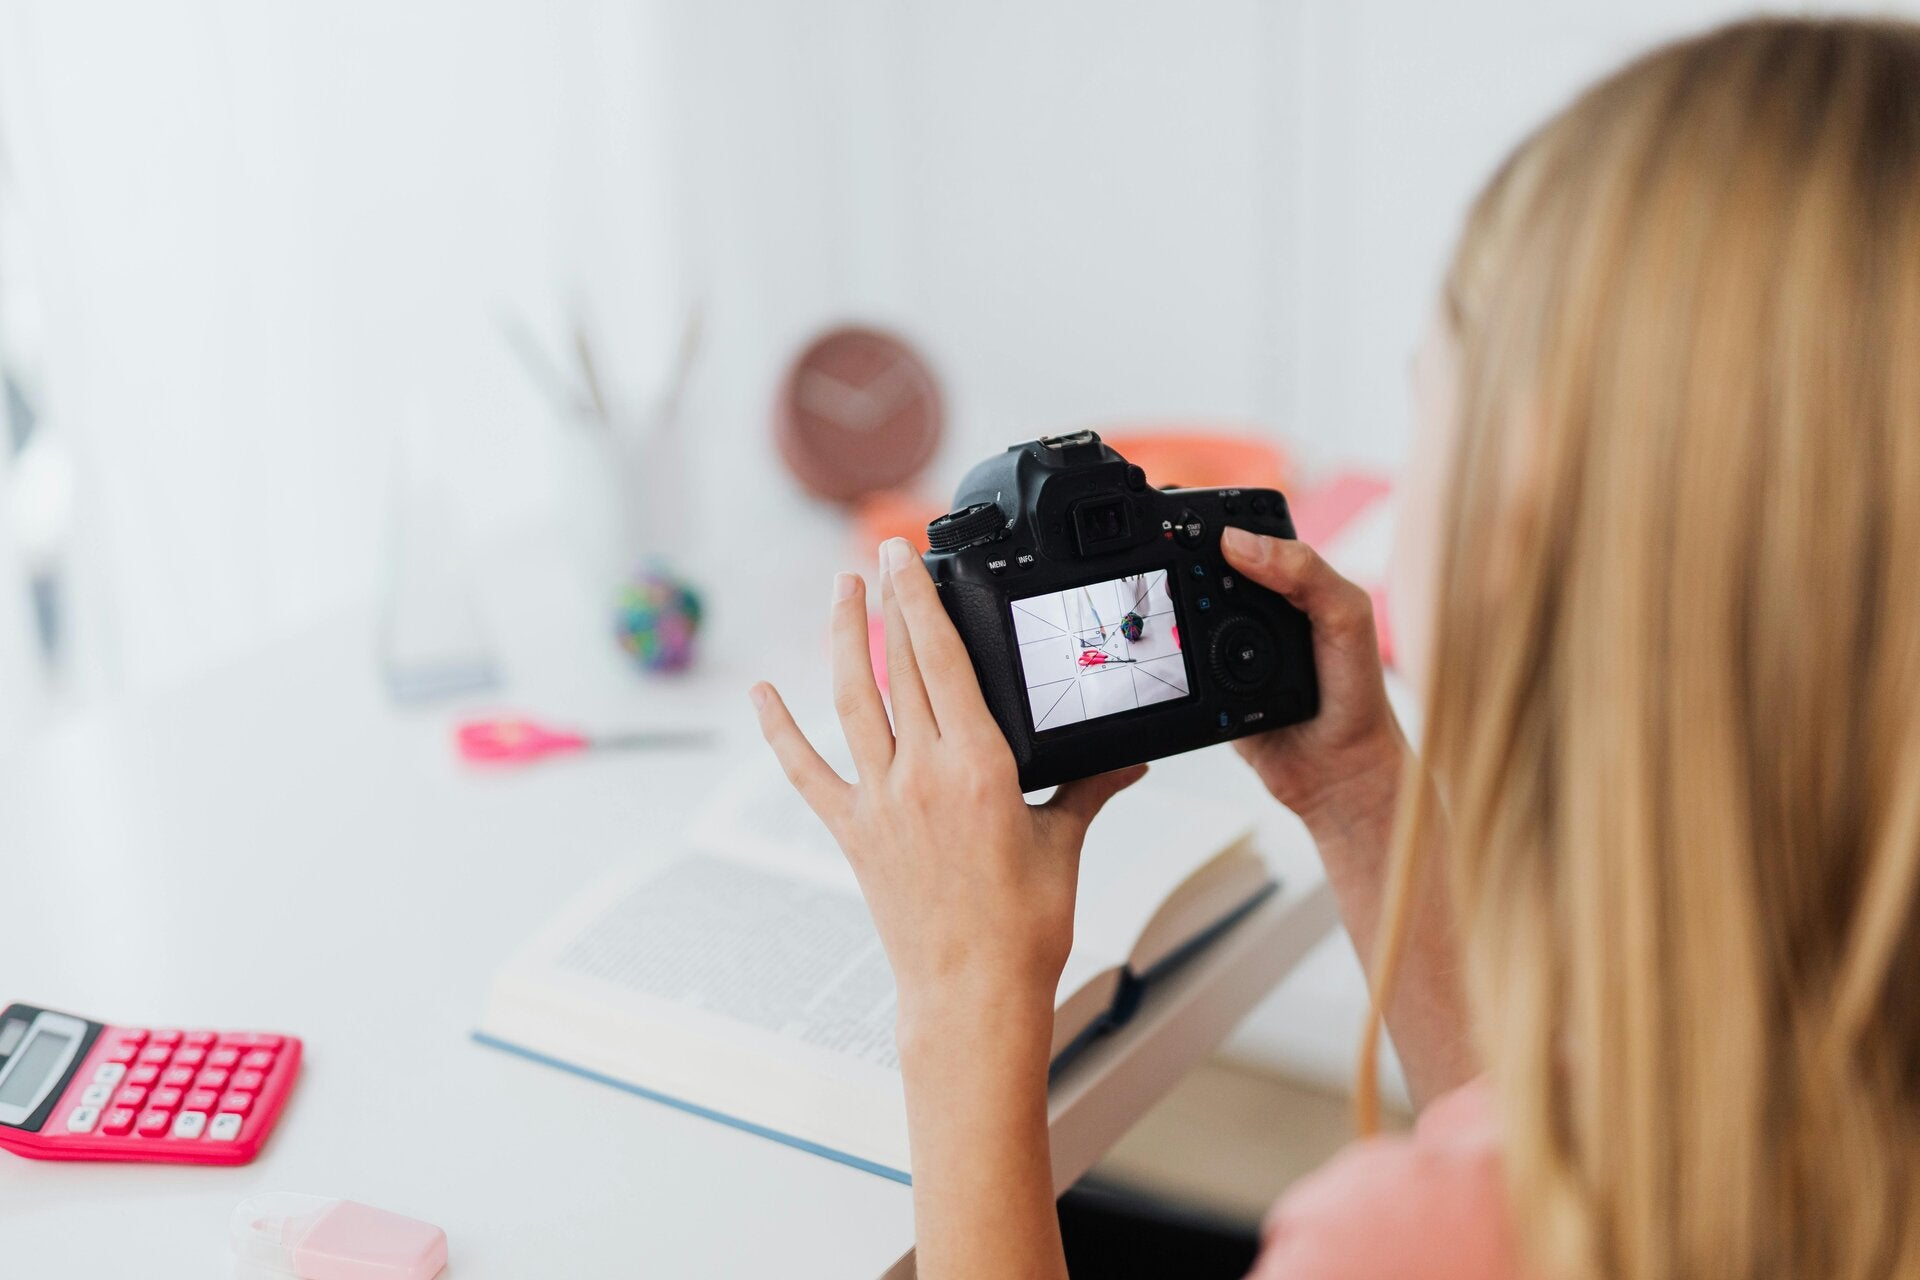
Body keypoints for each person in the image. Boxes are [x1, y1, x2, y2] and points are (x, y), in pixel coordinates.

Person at [749, 15, 1920, 1279]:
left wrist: (963, 1000)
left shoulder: (1392, 1240)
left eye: (1427, 406)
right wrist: (1363, 801)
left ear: (1525, 517)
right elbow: (1529, 1168)